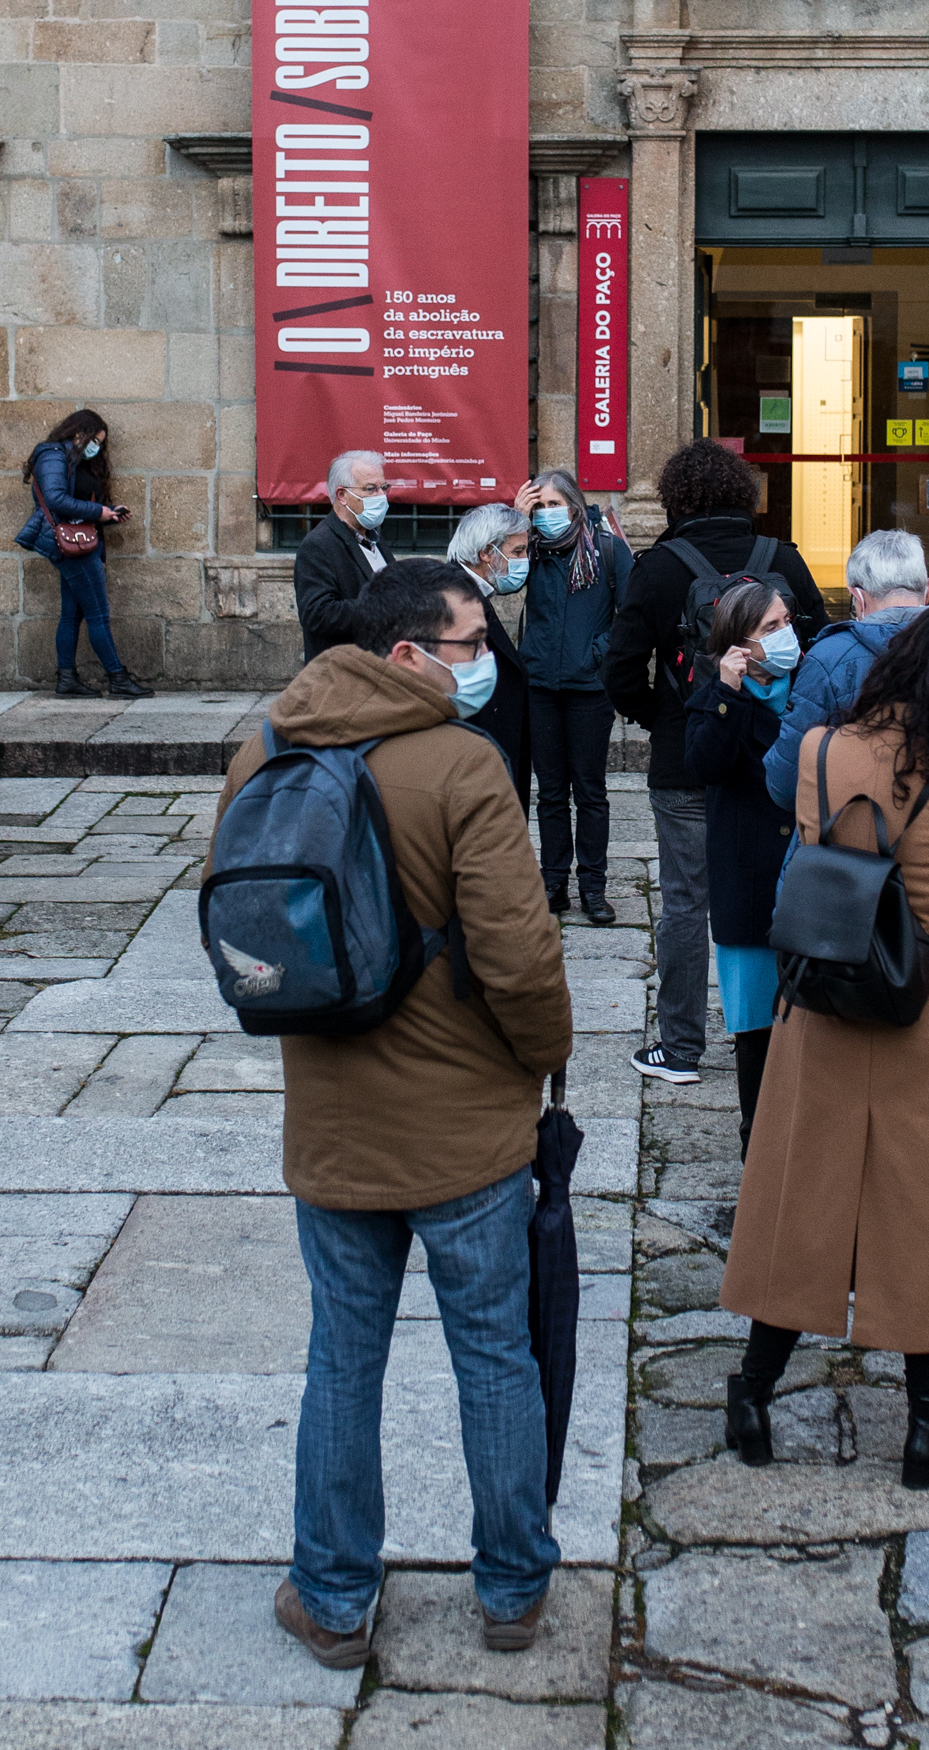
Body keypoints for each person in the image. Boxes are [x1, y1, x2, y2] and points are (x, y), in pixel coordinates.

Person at [208, 559, 573, 1670]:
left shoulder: (263, 748)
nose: (487, 662)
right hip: (465, 1128)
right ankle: (510, 1591)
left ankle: (331, 1596)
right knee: (496, 1358)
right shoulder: (464, 763)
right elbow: (518, 956)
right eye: (471, 643)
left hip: (332, 1121)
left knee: (341, 1360)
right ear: (408, 651)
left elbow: (245, 925)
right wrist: (545, 1058)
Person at [719, 605, 929, 1488]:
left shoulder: (820, 748)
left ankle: (752, 1391)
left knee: (802, 1202)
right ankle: (927, 1429)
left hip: (827, 996)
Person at [604, 440, 824, 1085]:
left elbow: (618, 670)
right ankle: (782, 1033)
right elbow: (818, 645)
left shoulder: (659, 567)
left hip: (687, 761)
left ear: (676, 499)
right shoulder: (781, 558)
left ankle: (679, 1049)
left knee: (684, 902)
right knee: (778, 890)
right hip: (772, 758)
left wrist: (669, 718)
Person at [763, 529, 929, 816]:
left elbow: (785, 785)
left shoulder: (828, 659)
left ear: (857, 597)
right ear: (928, 589)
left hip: (854, 850)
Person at [682, 580, 797, 1157]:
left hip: (804, 872)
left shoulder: (812, 684)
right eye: (770, 629)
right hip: (747, 875)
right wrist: (728, 692)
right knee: (754, 1025)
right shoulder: (715, 695)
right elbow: (705, 763)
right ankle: (758, 1141)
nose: (786, 635)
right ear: (738, 645)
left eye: (785, 621)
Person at [512, 469, 632, 929]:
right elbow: (497, 577)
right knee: (551, 793)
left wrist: (600, 653)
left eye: (552, 504)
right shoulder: (531, 551)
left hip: (588, 690)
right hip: (540, 684)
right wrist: (515, 523)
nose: (546, 515)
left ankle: (594, 887)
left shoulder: (607, 550)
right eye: (538, 506)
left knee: (591, 791)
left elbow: (631, 613)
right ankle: (553, 882)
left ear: (576, 505)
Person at [16, 409, 150, 698]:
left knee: (71, 614)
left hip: (79, 540)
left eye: (100, 444)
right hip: (71, 545)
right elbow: (55, 498)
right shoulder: (52, 455)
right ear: (78, 432)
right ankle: (117, 678)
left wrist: (109, 513)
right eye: (94, 441)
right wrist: (98, 512)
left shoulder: (75, 460)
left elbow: (76, 498)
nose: (96, 448)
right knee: (98, 615)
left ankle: (67, 679)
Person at [446, 502, 534, 821]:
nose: (525, 561)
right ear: (487, 552)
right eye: (518, 551)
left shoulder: (474, 591)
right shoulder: (459, 598)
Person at [293, 451, 397, 665]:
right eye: (370, 489)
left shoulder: (374, 538)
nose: (381, 496)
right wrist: (382, 607)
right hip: (343, 677)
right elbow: (317, 614)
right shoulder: (318, 544)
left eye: (383, 488)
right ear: (342, 495)